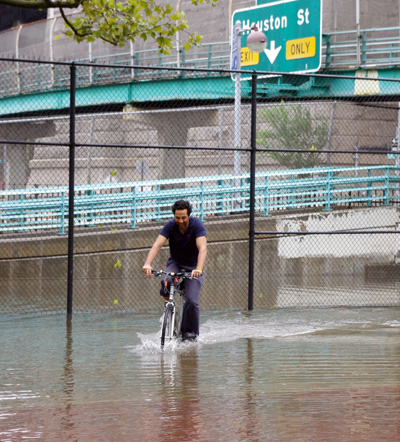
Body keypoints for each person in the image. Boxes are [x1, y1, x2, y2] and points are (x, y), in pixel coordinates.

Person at [142, 200, 207, 342]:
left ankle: (189, 334)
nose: (181, 221)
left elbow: (202, 248)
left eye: (183, 217)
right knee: (165, 280)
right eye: (177, 218)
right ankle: (170, 309)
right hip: (176, 263)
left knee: (191, 300)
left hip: (194, 267)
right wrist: (147, 264)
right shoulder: (170, 226)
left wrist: (199, 269)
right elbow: (157, 244)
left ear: (189, 215)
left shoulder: (197, 225)